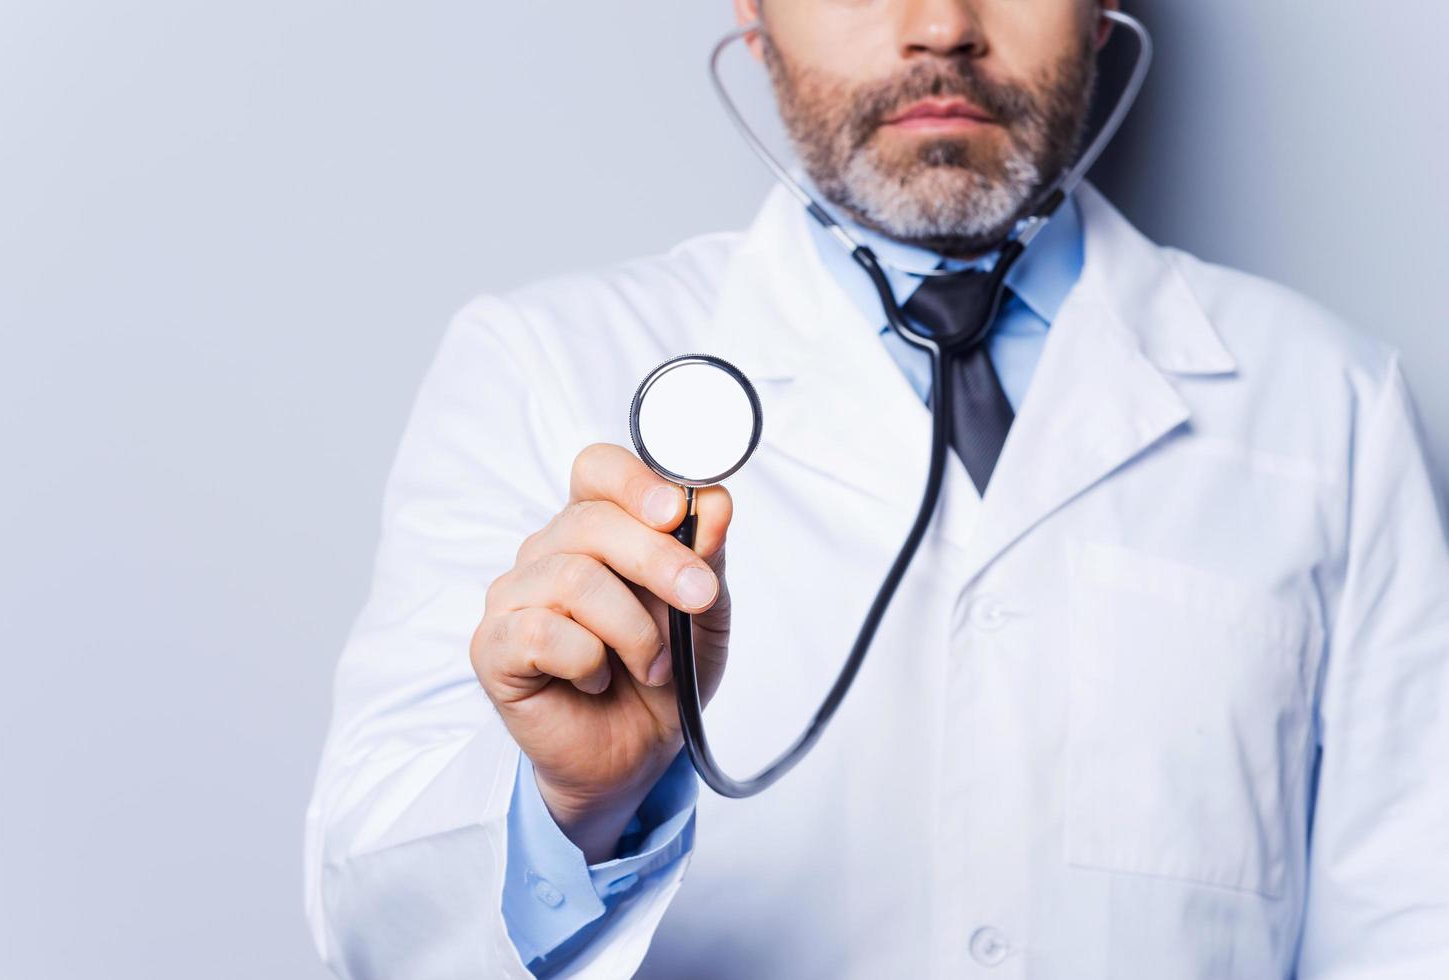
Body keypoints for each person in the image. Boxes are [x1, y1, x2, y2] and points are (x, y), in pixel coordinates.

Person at [303, 1, 1449, 976]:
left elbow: (1413, 927)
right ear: (751, 13)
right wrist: (568, 810)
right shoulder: (541, 366)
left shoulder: (1327, 408)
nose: (939, 25)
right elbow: (371, 915)